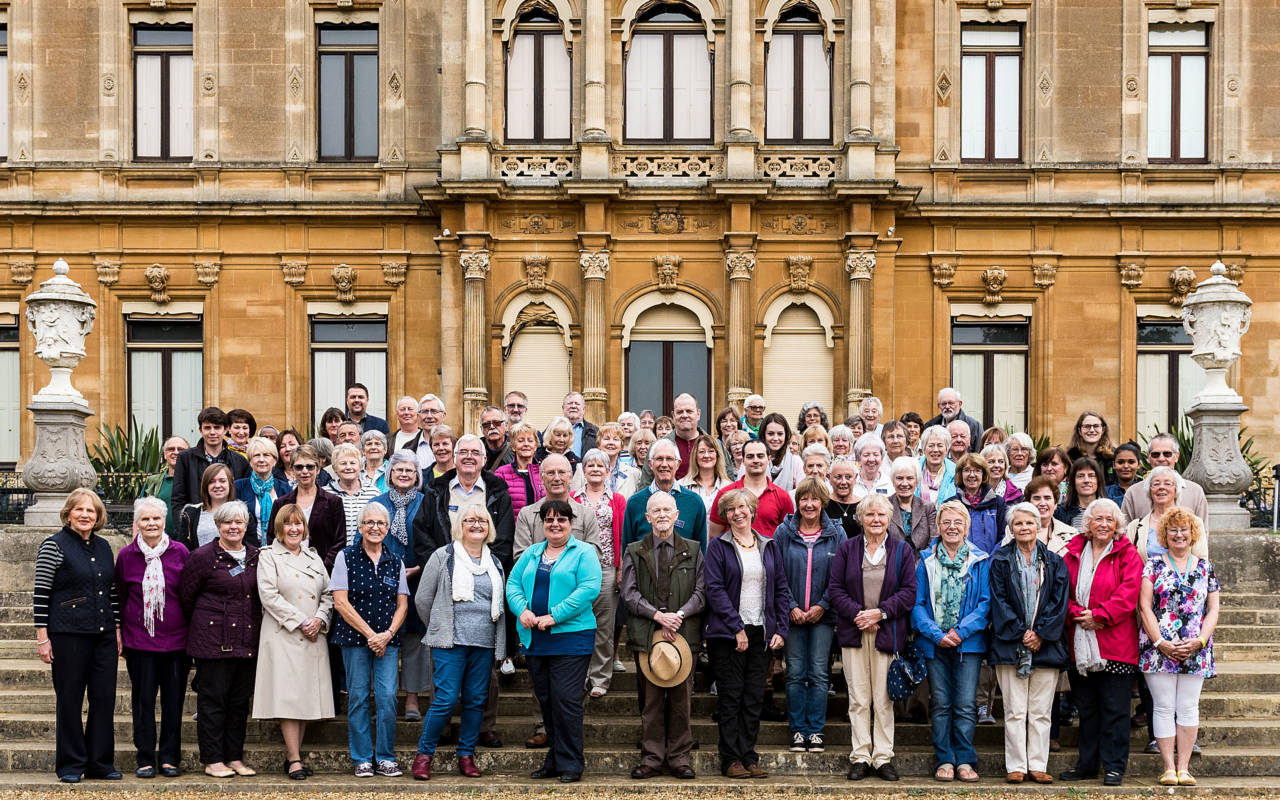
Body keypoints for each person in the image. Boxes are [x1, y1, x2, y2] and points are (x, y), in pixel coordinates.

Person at [507, 501, 602, 783]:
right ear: (542, 524)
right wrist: (522, 609)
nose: (555, 524)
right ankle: (555, 758)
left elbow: (589, 588)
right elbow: (512, 583)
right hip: (535, 638)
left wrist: (555, 616)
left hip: (571, 637)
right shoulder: (532, 553)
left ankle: (572, 762)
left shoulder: (584, 552)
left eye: (561, 519)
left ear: (571, 523)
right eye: (549, 520)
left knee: (566, 701)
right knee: (547, 701)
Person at [412, 505, 508, 780]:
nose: (476, 524)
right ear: (459, 525)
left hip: (484, 643)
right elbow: (423, 599)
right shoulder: (443, 556)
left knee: (476, 700)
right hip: (450, 642)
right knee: (445, 699)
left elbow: (497, 603)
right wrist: (440, 625)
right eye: (470, 520)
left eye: (482, 520)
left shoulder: (495, 562)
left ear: (489, 526)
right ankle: (424, 755)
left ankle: (466, 755)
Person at [34, 489, 122, 783]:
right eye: (79, 510)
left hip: (104, 635)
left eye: (91, 511)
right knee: (70, 700)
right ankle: (71, 764)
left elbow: (112, 593)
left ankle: (100, 763)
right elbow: (41, 594)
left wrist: (118, 629)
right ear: (68, 513)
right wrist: (42, 638)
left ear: (98, 517)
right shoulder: (53, 546)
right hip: (68, 634)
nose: (85, 515)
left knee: (104, 699)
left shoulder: (105, 546)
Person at [829, 493, 917, 781]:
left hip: (886, 632)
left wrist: (879, 613)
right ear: (860, 519)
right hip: (854, 632)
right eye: (869, 515)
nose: (875, 520)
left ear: (889, 518)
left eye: (880, 515)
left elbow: (908, 593)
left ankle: (882, 757)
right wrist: (860, 614)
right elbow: (836, 589)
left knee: (882, 698)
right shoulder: (847, 548)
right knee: (858, 698)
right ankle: (861, 755)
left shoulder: (901, 551)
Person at [703, 489, 790, 778]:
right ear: (725, 516)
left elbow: (779, 588)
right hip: (728, 635)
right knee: (731, 697)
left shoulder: (768, 545)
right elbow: (713, 590)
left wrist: (780, 628)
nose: (737, 513)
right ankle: (730, 759)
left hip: (761, 632)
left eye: (742, 507)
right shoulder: (718, 546)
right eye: (730, 510)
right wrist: (736, 627)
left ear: (751, 510)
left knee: (754, 696)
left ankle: (748, 755)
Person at [621, 491, 707, 780]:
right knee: (652, 700)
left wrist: (678, 615)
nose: (661, 515)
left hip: (684, 636)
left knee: (682, 699)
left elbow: (701, 591)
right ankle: (652, 757)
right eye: (655, 511)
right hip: (647, 634)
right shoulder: (634, 550)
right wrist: (657, 616)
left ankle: (680, 758)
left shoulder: (694, 549)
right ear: (647, 518)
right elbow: (629, 593)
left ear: (676, 516)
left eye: (666, 510)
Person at [1061, 498, 1142, 787]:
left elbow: (1128, 593)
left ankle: (1114, 766)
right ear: (1088, 523)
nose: (1104, 524)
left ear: (1118, 524)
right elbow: (1062, 592)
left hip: (1115, 645)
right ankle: (1087, 765)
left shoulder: (1128, 554)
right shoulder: (1072, 551)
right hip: (1079, 642)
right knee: (1087, 709)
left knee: (1115, 710)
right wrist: (1080, 615)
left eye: (1110, 519)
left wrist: (1100, 615)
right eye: (1098, 519)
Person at [178, 501, 261, 778]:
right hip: (212, 640)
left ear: (246, 525)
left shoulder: (255, 555)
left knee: (239, 703)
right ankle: (213, 759)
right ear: (218, 526)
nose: (234, 527)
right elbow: (186, 597)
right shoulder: (203, 556)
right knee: (213, 702)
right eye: (227, 522)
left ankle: (234, 757)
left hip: (246, 639)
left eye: (238, 522)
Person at [1138, 507, 1220, 787]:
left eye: (1184, 529)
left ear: (1193, 533)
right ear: (1164, 534)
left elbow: (1213, 609)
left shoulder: (1205, 566)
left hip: (1195, 647)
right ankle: (1168, 767)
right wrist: (1160, 642)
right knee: (1162, 707)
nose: (1179, 534)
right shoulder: (1153, 564)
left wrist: (1199, 641)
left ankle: (1184, 768)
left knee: (1188, 707)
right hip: (1159, 647)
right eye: (1172, 529)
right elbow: (1144, 606)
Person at [989, 502, 1070, 784]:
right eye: (1018, 524)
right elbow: (998, 600)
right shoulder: (999, 560)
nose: (1024, 528)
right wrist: (1020, 631)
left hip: (1045, 646)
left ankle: (1037, 764)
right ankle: (1016, 766)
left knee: (1040, 711)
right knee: (1013, 710)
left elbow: (1060, 603)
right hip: (1009, 644)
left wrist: (1041, 634)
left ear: (1039, 526)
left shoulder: (1055, 561)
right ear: (1011, 529)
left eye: (1029, 523)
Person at [911, 499, 992, 783]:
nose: (952, 527)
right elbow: (917, 604)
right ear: (938, 526)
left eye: (958, 522)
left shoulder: (980, 560)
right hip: (935, 644)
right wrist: (937, 634)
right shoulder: (925, 560)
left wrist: (960, 632)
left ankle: (965, 759)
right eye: (946, 522)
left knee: (966, 704)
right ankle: (944, 758)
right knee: (942, 703)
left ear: (967, 527)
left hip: (968, 645)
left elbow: (985, 604)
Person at [253, 504, 334, 780]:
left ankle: (295, 754)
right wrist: (302, 621)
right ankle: (294, 759)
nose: (294, 529)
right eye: (288, 524)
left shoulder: (314, 557)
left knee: (305, 698)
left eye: (298, 524)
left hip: (313, 636)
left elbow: (328, 593)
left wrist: (320, 620)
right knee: (289, 698)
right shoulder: (268, 556)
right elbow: (269, 595)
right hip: (284, 634)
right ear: (279, 527)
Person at [331, 504, 409, 778]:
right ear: (360, 527)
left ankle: (386, 757)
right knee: (359, 698)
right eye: (369, 522)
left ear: (387, 529)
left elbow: (402, 604)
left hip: (387, 641)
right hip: (354, 640)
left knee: (387, 698)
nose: (375, 527)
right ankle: (362, 758)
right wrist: (370, 635)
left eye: (381, 523)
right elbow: (340, 602)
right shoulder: (346, 557)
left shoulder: (395, 560)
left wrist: (386, 634)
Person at [115, 497, 190, 779]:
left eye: (156, 519)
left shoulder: (181, 552)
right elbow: (121, 596)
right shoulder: (126, 556)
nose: (151, 524)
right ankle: (145, 757)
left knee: (174, 703)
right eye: (145, 519)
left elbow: (188, 594)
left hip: (176, 642)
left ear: (164, 521)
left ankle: (170, 757)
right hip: (140, 643)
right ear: (137, 523)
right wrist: (120, 632)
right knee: (143, 701)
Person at [773, 477, 846, 753]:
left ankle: (814, 731)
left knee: (817, 673)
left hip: (823, 618)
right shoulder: (784, 532)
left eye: (815, 499)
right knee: (794, 674)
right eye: (804, 499)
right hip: (790, 616)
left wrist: (823, 605)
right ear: (798, 501)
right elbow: (777, 573)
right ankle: (797, 731)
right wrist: (790, 605)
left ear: (823, 502)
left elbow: (840, 576)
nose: (809, 504)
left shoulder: (836, 533)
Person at [370, 451, 430, 720]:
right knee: (387, 636)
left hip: (419, 579)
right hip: (382, 580)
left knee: (414, 640)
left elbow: (434, 541)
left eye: (409, 470)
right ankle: (386, 696)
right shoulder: (376, 503)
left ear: (417, 475)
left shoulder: (427, 503)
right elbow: (366, 540)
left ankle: (412, 700)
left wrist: (417, 568)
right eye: (398, 470)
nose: (404, 474)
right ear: (389, 474)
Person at [573, 448, 628, 697]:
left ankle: (600, 679)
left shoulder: (617, 500)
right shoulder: (573, 499)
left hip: (606, 567)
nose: (595, 469)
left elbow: (623, 536)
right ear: (583, 471)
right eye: (590, 465)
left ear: (608, 471)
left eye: (600, 466)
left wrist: (619, 569)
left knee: (604, 625)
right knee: (576, 622)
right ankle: (579, 674)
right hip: (576, 569)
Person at [267, 444, 347, 570]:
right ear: (292, 470)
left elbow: (340, 541)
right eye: (299, 467)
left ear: (318, 469)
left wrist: (321, 565)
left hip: (323, 571)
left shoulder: (333, 502)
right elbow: (273, 538)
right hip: (287, 570)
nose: (305, 471)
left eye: (310, 466)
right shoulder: (280, 504)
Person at [622, 439, 709, 551]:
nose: (664, 464)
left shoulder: (694, 502)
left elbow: (701, 552)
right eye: (659, 459)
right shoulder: (634, 503)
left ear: (678, 464)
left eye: (669, 459)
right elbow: (627, 550)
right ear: (650, 464)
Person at [709, 439, 794, 538]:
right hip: (733, 552)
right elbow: (714, 535)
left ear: (768, 459)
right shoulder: (725, 493)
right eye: (750, 456)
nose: (755, 460)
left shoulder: (782, 496)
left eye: (760, 456)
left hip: (769, 553)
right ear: (743, 460)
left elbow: (788, 537)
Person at [171, 406, 251, 510]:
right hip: (196, 522)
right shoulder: (185, 458)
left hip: (230, 522)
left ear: (226, 429)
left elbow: (245, 499)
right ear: (200, 430)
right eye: (207, 428)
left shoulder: (240, 461)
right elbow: (178, 499)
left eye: (217, 427)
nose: (212, 432)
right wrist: (185, 525)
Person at [1121, 433, 1209, 526]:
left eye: (1167, 454)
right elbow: (1124, 533)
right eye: (1156, 454)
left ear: (1176, 456)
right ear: (1148, 457)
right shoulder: (1134, 493)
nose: (1161, 458)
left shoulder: (1195, 492)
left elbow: (1202, 533)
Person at [1126, 466, 1209, 559]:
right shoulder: (1135, 527)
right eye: (1156, 484)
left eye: (1168, 483)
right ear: (1149, 491)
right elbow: (1127, 561)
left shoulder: (1194, 522)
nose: (1161, 487)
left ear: (1176, 489)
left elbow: (1202, 561)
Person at [176, 463, 255, 550]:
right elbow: (182, 549)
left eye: (222, 481)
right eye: (211, 481)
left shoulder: (243, 512)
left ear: (230, 483)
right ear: (205, 485)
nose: (217, 485)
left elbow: (251, 547)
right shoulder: (191, 513)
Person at [235, 436, 291, 545]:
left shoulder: (284, 488)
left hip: (280, 547)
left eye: (266, 455)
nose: (261, 459)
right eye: (256, 455)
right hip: (247, 547)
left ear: (274, 460)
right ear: (250, 461)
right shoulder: (238, 487)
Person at [329, 443, 383, 544]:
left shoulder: (374, 493)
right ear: (335, 467)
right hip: (334, 555)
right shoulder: (326, 494)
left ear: (360, 466)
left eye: (353, 463)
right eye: (343, 463)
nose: (348, 467)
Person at [954, 453, 1006, 555]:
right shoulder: (952, 504)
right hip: (960, 566)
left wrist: (991, 561)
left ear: (984, 474)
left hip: (991, 564)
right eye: (967, 470)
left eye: (977, 470)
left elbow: (1003, 537)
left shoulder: (998, 503)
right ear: (960, 474)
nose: (972, 475)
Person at [494, 421, 544, 515]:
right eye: (520, 441)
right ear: (513, 446)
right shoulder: (501, 473)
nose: (526, 444)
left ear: (536, 446)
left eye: (530, 440)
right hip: (512, 528)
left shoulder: (545, 472)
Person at [887, 456, 937, 550]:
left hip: (922, 562)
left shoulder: (928, 508)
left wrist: (921, 563)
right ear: (893, 481)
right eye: (899, 478)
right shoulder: (884, 506)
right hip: (891, 562)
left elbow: (933, 543)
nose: (905, 483)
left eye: (910, 478)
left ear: (917, 482)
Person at [143, 435, 189, 535]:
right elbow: (139, 512)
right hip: (158, 541)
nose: (176, 452)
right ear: (164, 454)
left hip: (189, 542)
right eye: (171, 449)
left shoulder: (196, 481)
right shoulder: (153, 482)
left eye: (181, 449)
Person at [1023, 476, 1076, 555]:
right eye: (1037, 498)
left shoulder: (1071, 534)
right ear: (1029, 503)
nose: (1042, 503)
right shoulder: (1014, 531)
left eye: (1047, 498)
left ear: (1055, 504)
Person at [680, 433, 731, 514]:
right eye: (701, 452)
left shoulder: (729, 487)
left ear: (717, 456)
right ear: (695, 456)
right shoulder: (682, 486)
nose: (706, 455)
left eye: (711, 451)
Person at [1055, 457, 1105, 530]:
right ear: (1073, 481)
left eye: (1091, 476)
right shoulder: (1060, 513)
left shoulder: (1109, 510)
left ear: (1098, 480)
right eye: (1080, 476)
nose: (1086, 480)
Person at [1068, 411, 1115, 485]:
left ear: (1103, 430)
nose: (1092, 430)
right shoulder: (1069, 458)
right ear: (1079, 431)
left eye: (1096, 426)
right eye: (1087, 426)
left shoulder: (1113, 457)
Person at [760, 412, 804, 492]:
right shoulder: (753, 459)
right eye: (771, 434)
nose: (776, 438)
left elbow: (801, 492)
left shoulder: (795, 461)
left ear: (786, 435)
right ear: (763, 435)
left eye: (780, 434)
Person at [404, 394, 448, 471]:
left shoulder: (457, 446)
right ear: (418, 416)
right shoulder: (407, 448)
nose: (429, 416)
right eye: (424, 412)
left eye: (434, 411)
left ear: (443, 416)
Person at [917, 425, 957, 505]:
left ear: (947, 449)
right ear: (924, 449)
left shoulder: (956, 472)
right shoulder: (913, 469)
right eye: (931, 445)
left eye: (940, 445)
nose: (935, 450)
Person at [826, 457, 863, 538]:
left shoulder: (863, 506)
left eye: (848, 477)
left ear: (855, 477)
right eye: (838, 477)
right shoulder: (823, 504)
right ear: (829, 478)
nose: (843, 482)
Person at [850, 432, 892, 501]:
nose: (871, 459)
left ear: (881, 458)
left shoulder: (890, 483)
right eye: (866, 455)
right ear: (858, 459)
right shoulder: (850, 482)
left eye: (876, 455)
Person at [562, 391, 598, 459]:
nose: (573, 406)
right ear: (563, 408)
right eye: (569, 403)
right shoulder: (552, 430)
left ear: (584, 409)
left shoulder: (595, 431)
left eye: (577, 404)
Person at [480, 405, 514, 472]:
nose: (492, 427)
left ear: (506, 426)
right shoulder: (475, 450)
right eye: (486, 425)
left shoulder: (515, 450)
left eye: (497, 423)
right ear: (481, 429)